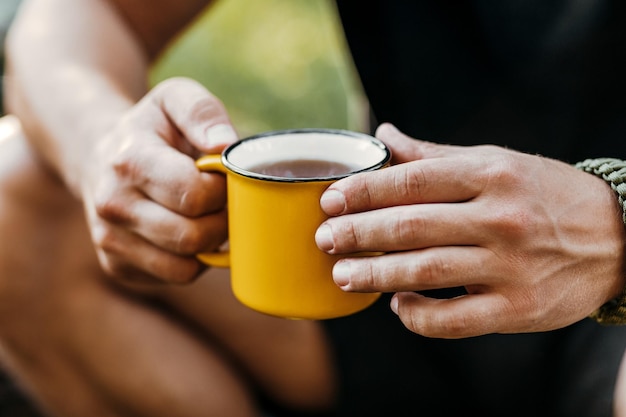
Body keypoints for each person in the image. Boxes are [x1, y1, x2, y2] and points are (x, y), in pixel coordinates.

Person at [2, 0, 625, 416]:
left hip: (614, 313)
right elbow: (85, 14)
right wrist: (103, 151)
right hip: (370, 273)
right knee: (16, 200)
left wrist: (616, 222)